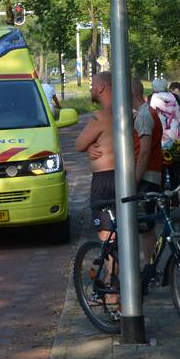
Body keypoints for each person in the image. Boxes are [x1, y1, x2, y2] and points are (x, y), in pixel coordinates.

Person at [75, 72, 117, 243]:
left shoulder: (99, 117)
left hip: (104, 179)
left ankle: (111, 269)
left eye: (92, 85)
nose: (90, 88)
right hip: (127, 175)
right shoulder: (130, 113)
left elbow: (79, 144)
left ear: (101, 88)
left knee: (107, 236)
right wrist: (91, 145)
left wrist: (88, 145)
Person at [132, 78, 165, 265]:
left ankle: (149, 268)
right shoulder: (147, 113)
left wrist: (135, 180)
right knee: (148, 226)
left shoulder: (144, 116)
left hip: (146, 176)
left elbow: (144, 152)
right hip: (152, 173)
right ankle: (151, 267)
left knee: (144, 227)